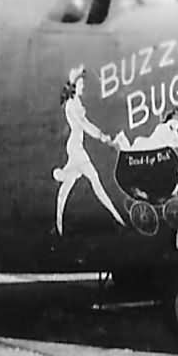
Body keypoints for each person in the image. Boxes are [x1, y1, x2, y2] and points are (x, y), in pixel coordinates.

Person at [53, 65, 125, 235]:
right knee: (95, 182)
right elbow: (84, 125)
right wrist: (102, 136)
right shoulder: (72, 105)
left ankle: (59, 227)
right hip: (76, 149)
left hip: (75, 147)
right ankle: (117, 217)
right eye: (81, 85)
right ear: (75, 85)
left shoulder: (75, 102)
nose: (83, 88)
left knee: (66, 188)